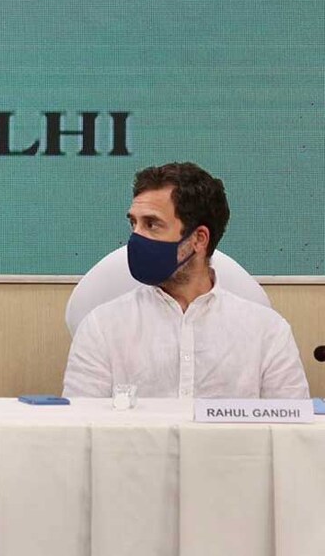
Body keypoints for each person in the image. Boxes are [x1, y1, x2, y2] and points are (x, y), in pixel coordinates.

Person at [63, 162, 308, 399]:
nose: (136, 238)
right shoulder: (101, 327)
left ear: (199, 239)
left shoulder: (268, 332)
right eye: (133, 223)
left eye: (152, 224)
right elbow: (80, 429)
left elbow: (292, 433)